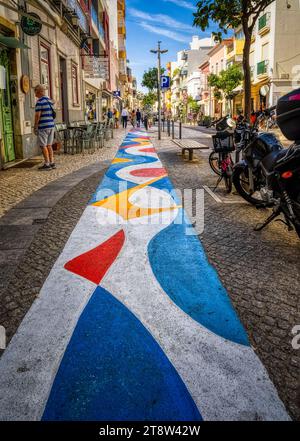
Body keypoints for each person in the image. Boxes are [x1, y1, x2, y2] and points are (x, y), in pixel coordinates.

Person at [34, 84, 56, 170]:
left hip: (43, 126)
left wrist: (35, 126)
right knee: (49, 145)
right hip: (51, 126)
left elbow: (37, 116)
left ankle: (47, 164)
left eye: (35, 91)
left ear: (39, 91)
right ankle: (52, 162)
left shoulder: (40, 102)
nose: (35, 94)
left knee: (43, 145)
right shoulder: (49, 101)